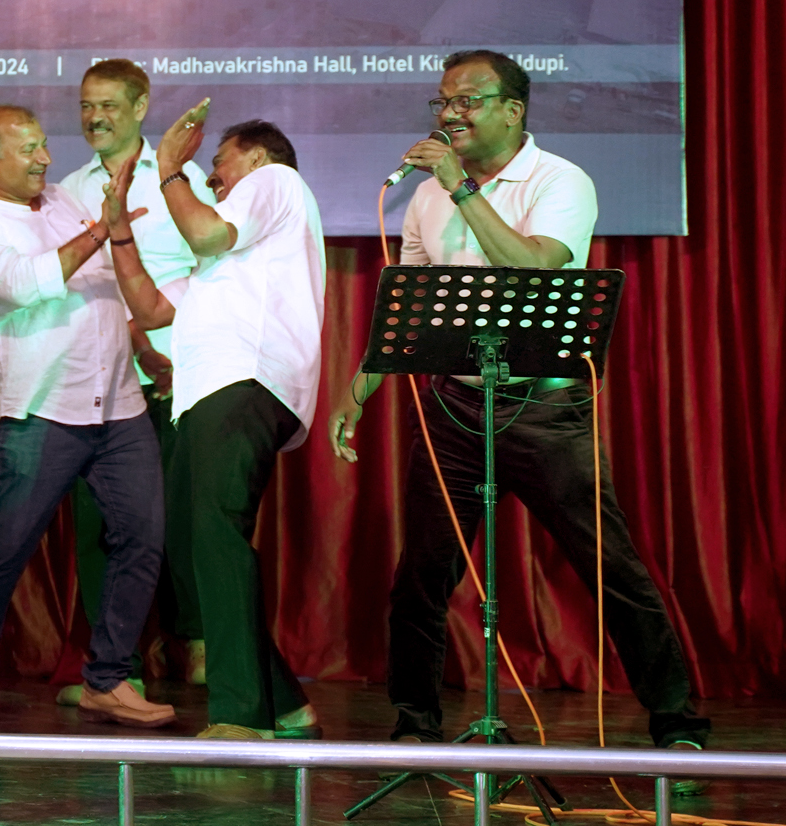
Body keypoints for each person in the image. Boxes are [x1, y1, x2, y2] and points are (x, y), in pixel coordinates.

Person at [328, 50, 711, 751]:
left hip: (544, 409)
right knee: (422, 574)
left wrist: (461, 190)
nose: (451, 114)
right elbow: (407, 313)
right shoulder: (426, 197)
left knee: (609, 567)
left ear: (513, 109)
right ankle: (415, 726)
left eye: (468, 101)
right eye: (444, 101)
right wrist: (358, 392)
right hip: (456, 408)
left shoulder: (559, 180)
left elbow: (533, 265)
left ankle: (678, 723)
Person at [0, 106, 174, 730]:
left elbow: (105, 286)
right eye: (29, 150)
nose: (45, 158)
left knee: (143, 537)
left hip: (118, 403)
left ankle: (107, 679)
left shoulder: (65, 201)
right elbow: (27, 282)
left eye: (44, 145)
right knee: (5, 546)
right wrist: (102, 231)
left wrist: (143, 346)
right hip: (41, 408)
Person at [103, 111, 326, 741]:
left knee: (215, 535)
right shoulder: (228, 266)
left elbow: (204, 233)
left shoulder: (275, 180)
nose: (212, 177)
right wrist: (119, 232)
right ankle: (283, 702)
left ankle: (240, 715)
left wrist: (169, 168)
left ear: (256, 158)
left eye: (219, 162)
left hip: (244, 380)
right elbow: (149, 308)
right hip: (210, 393)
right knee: (193, 542)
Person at [57, 59, 216, 697]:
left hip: (177, 373)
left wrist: (163, 336)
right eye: (87, 106)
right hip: (97, 380)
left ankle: (199, 645)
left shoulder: (182, 177)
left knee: (185, 516)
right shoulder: (68, 189)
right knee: (99, 523)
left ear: (141, 106)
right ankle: (113, 669)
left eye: (109, 106)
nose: (95, 118)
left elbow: (212, 265)